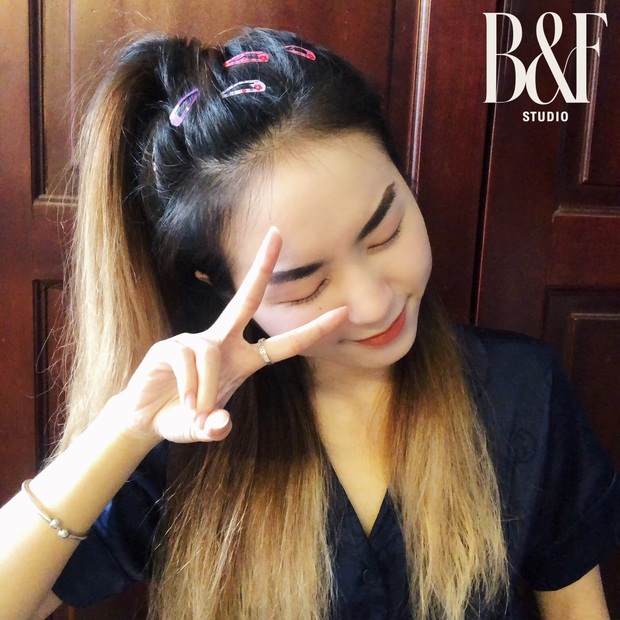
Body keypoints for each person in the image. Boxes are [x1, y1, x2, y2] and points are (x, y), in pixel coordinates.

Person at [0, 27, 619, 620]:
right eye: (305, 284)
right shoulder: (185, 439)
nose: (373, 304)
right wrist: (124, 429)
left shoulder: (522, 392)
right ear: (218, 284)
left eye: (385, 232)